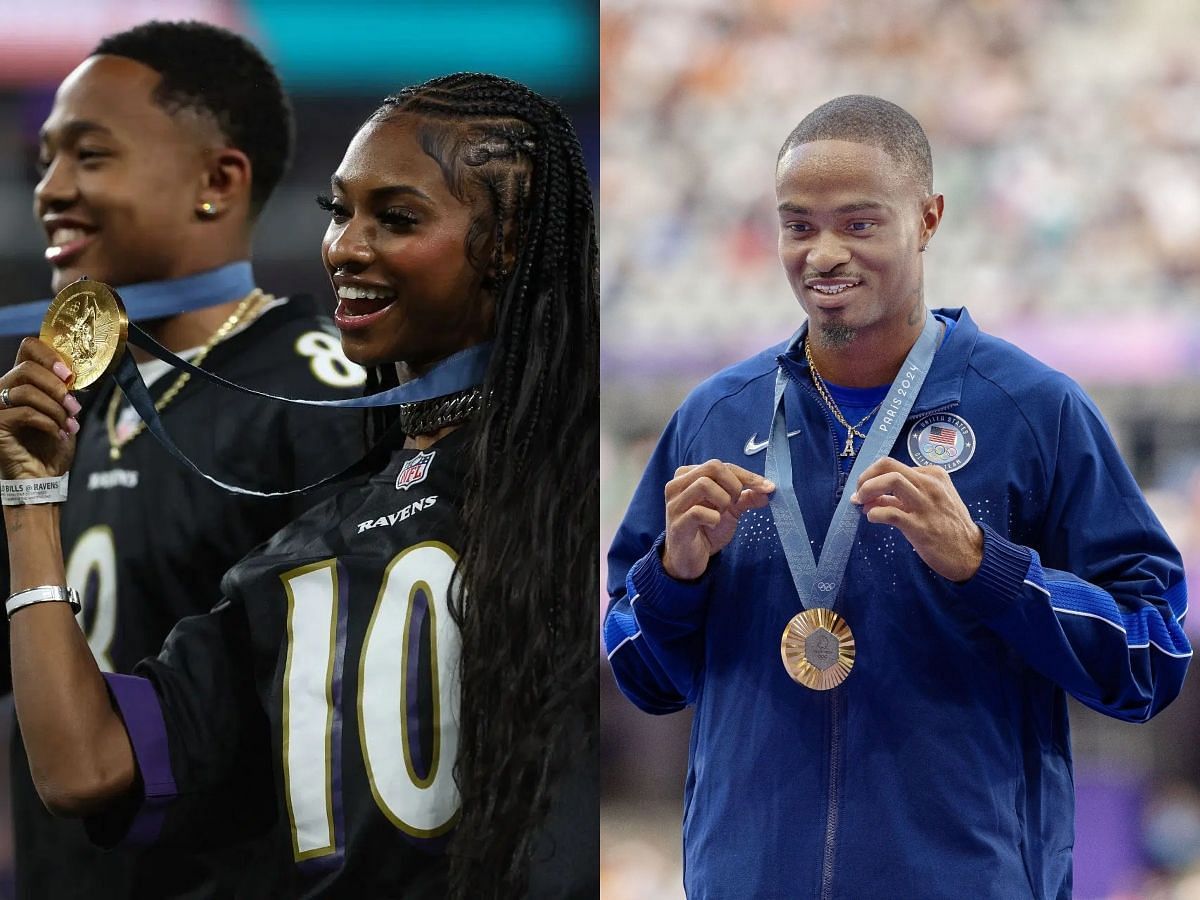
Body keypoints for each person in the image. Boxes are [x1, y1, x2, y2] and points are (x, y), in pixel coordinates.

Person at [1, 71, 598, 898]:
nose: (345, 247)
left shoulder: (571, 482)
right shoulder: (310, 546)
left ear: (507, 243)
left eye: (395, 218)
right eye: (338, 211)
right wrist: (30, 501)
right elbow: (84, 767)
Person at [604, 95, 1190, 898]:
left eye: (859, 223)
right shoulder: (714, 415)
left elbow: (1153, 658)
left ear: (929, 216)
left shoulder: (1034, 409)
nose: (823, 253)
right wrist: (675, 577)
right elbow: (643, 676)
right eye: (798, 225)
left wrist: (990, 569)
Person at [0, 20, 368, 899]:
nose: (50, 188)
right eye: (46, 158)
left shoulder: (314, 396)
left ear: (217, 181)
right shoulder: (58, 400)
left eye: (89, 156)